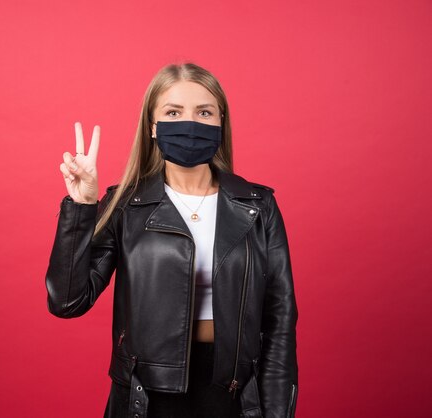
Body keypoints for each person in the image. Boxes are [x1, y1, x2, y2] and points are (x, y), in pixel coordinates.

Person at [45, 62, 298, 418]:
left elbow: (280, 320)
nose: (190, 123)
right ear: (153, 126)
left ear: (220, 122)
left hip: (232, 394)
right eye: (174, 112)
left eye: (204, 112)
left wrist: (277, 412)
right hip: (146, 398)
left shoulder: (258, 206)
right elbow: (67, 301)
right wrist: (82, 206)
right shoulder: (126, 205)